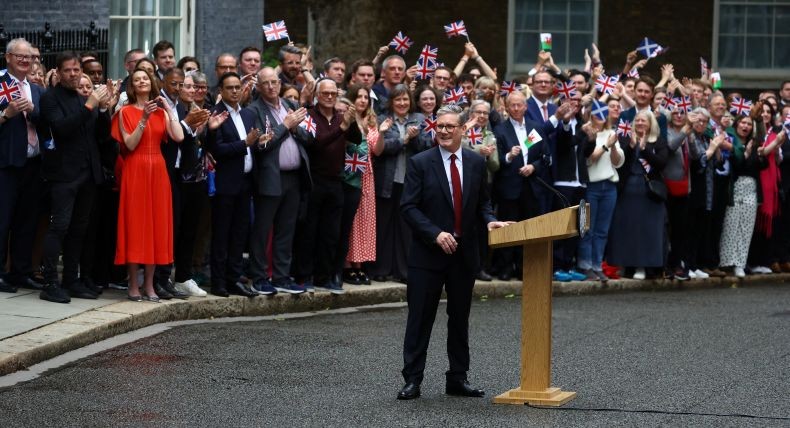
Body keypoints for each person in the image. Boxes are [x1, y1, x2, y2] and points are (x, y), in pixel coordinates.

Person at [397, 104, 509, 400]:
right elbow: (408, 207)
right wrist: (434, 233)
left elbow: (483, 203)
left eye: (450, 126)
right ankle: (412, 380)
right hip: (427, 255)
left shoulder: (475, 162)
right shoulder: (421, 162)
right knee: (420, 318)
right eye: (440, 126)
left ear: (462, 129)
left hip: (464, 254)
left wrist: (490, 220)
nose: (444, 131)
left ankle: (458, 378)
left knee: (459, 318)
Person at [39, 51, 112, 303]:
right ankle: (50, 282)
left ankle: (71, 280)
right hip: (64, 174)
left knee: (79, 230)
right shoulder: (50, 98)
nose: (73, 74)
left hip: (87, 174)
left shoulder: (85, 99)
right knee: (59, 226)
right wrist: (91, 104)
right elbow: (61, 129)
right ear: (58, 73)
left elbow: (101, 137)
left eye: (76, 70)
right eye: (68, 70)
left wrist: (102, 110)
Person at [112, 68, 184, 302]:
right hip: (136, 168)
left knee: (156, 226)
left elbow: (179, 136)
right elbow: (130, 145)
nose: (142, 81)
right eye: (137, 79)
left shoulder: (161, 112)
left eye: (145, 78)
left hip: (158, 171)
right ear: (131, 86)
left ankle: (150, 286)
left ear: (151, 83)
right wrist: (143, 119)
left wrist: (170, 110)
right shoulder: (124, 112)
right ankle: (134, 284)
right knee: (135, 226)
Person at [246, 67, 312, 295]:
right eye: (265, 83)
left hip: (294, 177)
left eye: (274, 82)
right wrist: (285, 126)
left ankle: (282, 276)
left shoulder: (290, 105)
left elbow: (308, 137)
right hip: (270, 176)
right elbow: (262, 146)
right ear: (259, 86)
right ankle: (259, 276)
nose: (271, 87)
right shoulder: (254, 110)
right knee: (263, 230)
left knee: (287, 229)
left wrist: (292, 127)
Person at [292, 78, 355, 293]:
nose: (329, 97)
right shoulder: (308, 115)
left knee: (331, 233)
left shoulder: (340, 117)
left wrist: (352, 122)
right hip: (313, 182)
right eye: (325, 93)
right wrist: (342, 128)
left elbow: (354, 138)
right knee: (309, 232)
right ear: (317, 95)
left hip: (336, 182)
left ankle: (324, 276)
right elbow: (315, 143)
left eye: (333, 93)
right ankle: (304, 275)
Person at [206, 72, 264, 298]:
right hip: (225, 184)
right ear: (220, 91)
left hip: (246, 182)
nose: (234, 91)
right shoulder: (216, 115)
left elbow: (251, 145)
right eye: (229, 87)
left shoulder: (248, 115)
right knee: (222, 234)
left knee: (240, 234)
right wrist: (244, 144)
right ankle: (218, 282)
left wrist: (258, 143)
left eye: (237, 87)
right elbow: (217, 150)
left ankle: (234, 278)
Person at [369, 84, 432, 283]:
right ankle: (381, 269)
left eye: (405, 99)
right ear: (391, 102)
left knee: (407, 228)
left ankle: (404, 271)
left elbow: (426, 147)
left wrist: (413, 140)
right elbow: (382, 148)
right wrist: (404, 139)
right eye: (398, 100)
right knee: (384, 226)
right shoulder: (382, 120)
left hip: (410, 182)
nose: (402, 103)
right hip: (387, 181)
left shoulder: (419, 119)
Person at [0, 38, 47, 293]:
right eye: (19, 56)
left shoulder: (38, 90)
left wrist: (34, 112)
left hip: (33, 164)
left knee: (26, 222)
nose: (25, 61)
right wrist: (6, 114)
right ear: (8, 58)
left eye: (29, 58)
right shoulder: (0, 84)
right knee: (2, 220)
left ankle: (20, 272)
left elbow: (48, 121)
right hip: (6, 163)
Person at [492, 91, 555, 281]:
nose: (517, 108)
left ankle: (523, 267)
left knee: (527, 228)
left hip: (531, 186)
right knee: (508, 227)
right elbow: (495, 161)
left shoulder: (535, 129)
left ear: (526, 107)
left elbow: (545, 157)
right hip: (509, 186)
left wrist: (533, 167)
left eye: (520, 104)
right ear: (507, 107)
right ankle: (505, 267)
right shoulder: (500, 130)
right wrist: (510, 156)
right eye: (513, 105)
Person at [607, 110, 668, 280]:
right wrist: (631, 147)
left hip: (649, 191)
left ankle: (643, 265)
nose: (640, 123)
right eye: (638, 120)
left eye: (644, 121)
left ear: (650, 124)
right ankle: (626, 264)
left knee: (647, 230)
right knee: (627, 228)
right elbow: (619, 164)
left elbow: (661, 163)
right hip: (628, 190)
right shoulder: (626, 139)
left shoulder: (658, 141)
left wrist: (644, 149)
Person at [338, 84, 380, 285]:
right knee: (351, 222)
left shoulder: (372, 122)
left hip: (367, 176)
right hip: (350, 175)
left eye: (366, 97)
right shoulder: (346, 119)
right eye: (359, 96)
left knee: (365, 222)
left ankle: (359, 265)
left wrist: (382, 132)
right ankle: (347, 265)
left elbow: (377, 150)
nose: (363, 100)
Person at [577, 105, 624, 282]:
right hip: (591, 185)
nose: (601, 117)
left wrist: (612, 147)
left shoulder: (612, 133)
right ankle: (585, 265)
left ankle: (597, 265)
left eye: (604, 113)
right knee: (587, 228)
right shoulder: (588, 132)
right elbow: (588, 160)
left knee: (602, 230)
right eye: (597, 114)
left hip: (609, 186)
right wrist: (606, 145)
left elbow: (618, 162)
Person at [719, 114, 766, 278]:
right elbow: (735, 165)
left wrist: (759, 153)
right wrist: (744, 153)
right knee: (730, 225)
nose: (745, 126)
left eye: (748, 124)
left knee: (745, 228)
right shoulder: (731, 140)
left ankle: (740, 264)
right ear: (736, 124)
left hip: (751, 188)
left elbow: (763, 165)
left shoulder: (755, 143)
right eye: (742, 123)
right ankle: (726, 262)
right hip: (734, 186)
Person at [460, 100, 499, 281]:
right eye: (478, 112)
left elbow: (495, 165)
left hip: (484, 184)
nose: (482, 116)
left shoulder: (490, 135)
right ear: (471, 113)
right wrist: (477, 150)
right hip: (462, 183)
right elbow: (456, 147)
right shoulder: (462, 131)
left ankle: (480, 267)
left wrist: (489, 155)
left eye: (485, 113)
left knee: (482, 228)